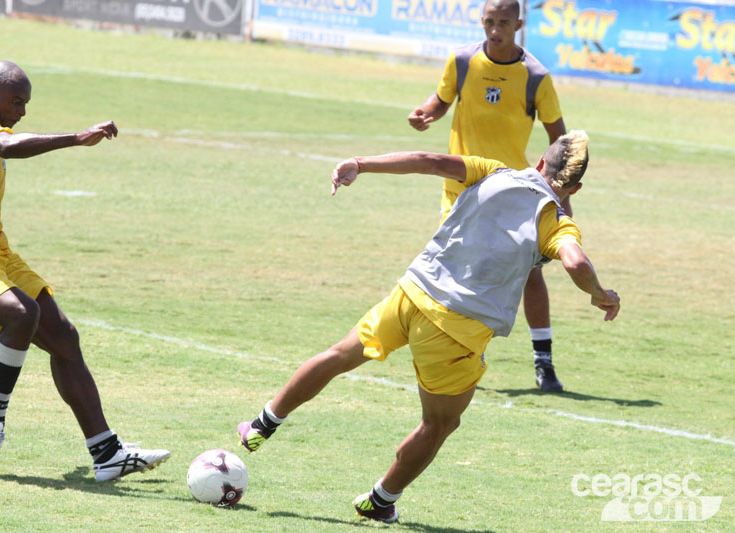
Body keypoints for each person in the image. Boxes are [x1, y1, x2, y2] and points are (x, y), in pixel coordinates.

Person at [238, 131, 619, 523]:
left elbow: (427, 159)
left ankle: (260, 425)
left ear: (540, 162)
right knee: (439, 423)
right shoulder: (555, 221)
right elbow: (574, 261)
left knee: (339, 355)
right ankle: (380, 500)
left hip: (411, 293)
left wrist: (360, 163)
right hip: (456, 329)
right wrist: (599, 293)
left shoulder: (492, 171)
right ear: (575, 187)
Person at [0, 60, 169, 481]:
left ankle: (106, 453)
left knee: (64, 336)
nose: (22, 111)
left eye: (26, 104)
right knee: (21, 313)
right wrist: (76, 139)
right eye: (16, 102)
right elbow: (7, 147)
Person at [408, 0, 569, 392]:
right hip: (461, 188)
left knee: (530, 273)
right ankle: (459, 354)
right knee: (455, 270)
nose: (495, 30)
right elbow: (442, 99)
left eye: (503, 23)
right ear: (482, 22)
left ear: (518, 22)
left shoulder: (535, 76)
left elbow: (558, 137)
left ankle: (543, 361)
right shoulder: (462, 62)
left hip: (512, 190)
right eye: (489, 22)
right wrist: (426, 113)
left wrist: (557, 190)